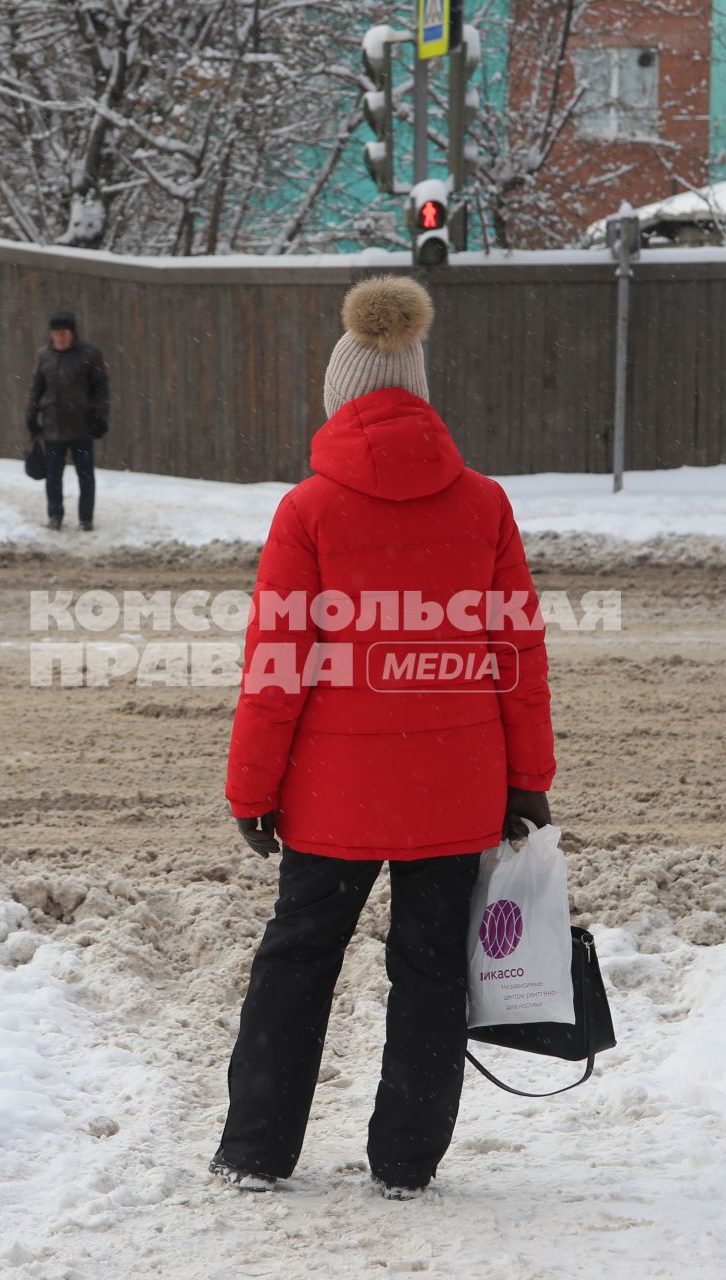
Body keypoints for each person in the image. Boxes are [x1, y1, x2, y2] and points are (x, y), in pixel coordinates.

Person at [212, 276, 555, 1201]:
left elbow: (276, 663)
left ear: (341, 396)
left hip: (331, 797)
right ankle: (406, 1163)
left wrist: (252, 792)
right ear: (420, 394)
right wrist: (528, 780)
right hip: (456, 793)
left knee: (296, 964)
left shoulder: (308, 510)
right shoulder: (484, 505)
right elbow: (517, 651)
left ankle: (255, 1150)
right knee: (434, 971)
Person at [25, 310, 109, 531]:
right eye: (56, 333)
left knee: (85, 476)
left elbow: (101, 389)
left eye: (64, 333)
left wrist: (100, 417)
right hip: (53, 427)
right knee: (53, 476)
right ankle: (55, 515)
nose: (60, 338)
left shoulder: (89, 355)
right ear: (51, 335)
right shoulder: (44, 356)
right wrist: (31, 415)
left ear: (72, 334)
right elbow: (36, 389)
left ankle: (86, 518)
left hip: (82, 426)